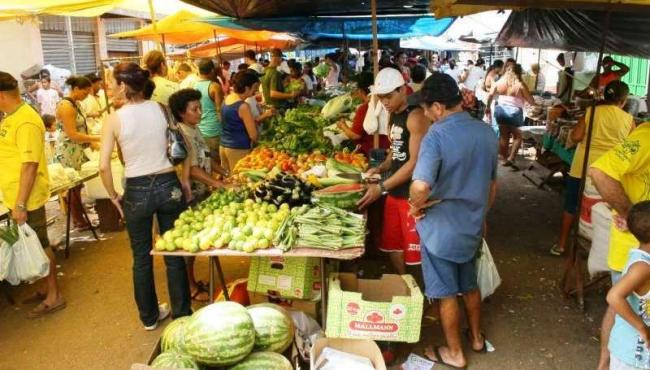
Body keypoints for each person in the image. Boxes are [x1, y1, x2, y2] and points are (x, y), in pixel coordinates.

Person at [409, 72, 498, 370]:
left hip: (440, 231)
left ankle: (455, 353)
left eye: (425, 108)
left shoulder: (437, 135)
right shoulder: (487, 133)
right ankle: (475, 338)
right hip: (471, 225)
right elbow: (492, 185)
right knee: (469, 285)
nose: (424, 114)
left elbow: (420, 186)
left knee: (446, 292)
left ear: (437, 106)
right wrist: (481, 214)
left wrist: (415, 206)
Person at [99, 62, 192, 330]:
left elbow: (104, 165)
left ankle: (149, 318)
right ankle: (182, 313)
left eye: (113, 83)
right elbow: (181, 146)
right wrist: (184, 180)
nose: (111, 88)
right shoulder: (161, 109)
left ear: (124, 86)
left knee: (141, 256)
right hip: (168, 183)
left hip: (136, 190)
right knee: (173, 250)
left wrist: (113, 196)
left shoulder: (114, 119)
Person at [0, 71, 65, 318]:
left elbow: (29, 165)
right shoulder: (11, 117)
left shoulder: (25, 120)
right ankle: (44, 286)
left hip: (27, 196)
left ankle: (54, 295)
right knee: (33, 243)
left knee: (40, 243)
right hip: (14, 193)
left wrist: (20, 203)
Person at [589, 118, 650, 370]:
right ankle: (606, 363)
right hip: (637, 246)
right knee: (622, 308)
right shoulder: (645, 139)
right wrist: (631, 215)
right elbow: (599, 172)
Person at [357, 67, 429, 277]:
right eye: (381, 97)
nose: (385, 102)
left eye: (388, 96)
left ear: (403, 90)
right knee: (393, 245)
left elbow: (414, 162)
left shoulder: (416, 117)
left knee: (415, 249)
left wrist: (381, 187)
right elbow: (395, 151)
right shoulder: (392, 116)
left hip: (412, 196)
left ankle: (423, 294)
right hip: (394, 191)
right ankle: (405, 285)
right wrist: (380, 168)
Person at [550, 81, 634, 256]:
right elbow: (630, 146)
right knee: (605, 209)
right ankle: (598, 248)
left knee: (572, 205)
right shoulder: (628, 119)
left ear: (604, 97)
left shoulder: (591, 111)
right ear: (624, 100)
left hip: (583, 167)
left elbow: (577, 136)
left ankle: (561, 244)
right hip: (609, 173)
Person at [169, 88, 225, 302]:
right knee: (189, 243)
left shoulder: (195, 129)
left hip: (201, 192)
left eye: (200, 107)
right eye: (195, 109)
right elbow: (191, 169)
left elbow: (206, 157)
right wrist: (218, 185)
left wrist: (225, 174)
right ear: (182, 113)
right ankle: (190, 287)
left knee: (196, 241)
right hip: (189, 194)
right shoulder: (182, 135)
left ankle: (192, 283)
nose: (200, 112)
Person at [606, 201, 650, 370]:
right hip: (633, 354)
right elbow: (613, 296)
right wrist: (642, 327)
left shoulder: (643, 254)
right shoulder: (642, 268)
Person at [56, 76, 100, 230]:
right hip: (70, 151)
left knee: (78, 185)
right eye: (84, 92)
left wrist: (91, 141)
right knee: (73, 186)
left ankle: (79, 217)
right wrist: (97, 137)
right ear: (75, 89)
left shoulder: (77, 104)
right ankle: (77, 220)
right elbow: (72, 134)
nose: (86, 95)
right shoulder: (66, 106)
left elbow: (83, 126)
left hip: (79, 148)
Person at [485, 63, 535, 168]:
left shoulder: (499, 82)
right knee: (518, 136)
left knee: (504, 136)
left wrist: (488, 107)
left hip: (500, 110)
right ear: (518, 72)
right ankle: (511, 158)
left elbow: (490, 95)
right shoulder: (520, 84)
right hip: (515, 112)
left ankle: (503, 159)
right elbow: (531, 101)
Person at [219, 71, 260, 172]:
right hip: (238, 148)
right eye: (254, 88)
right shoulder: (243, 106)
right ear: (246, 88)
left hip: (224, 146)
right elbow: (253, 135)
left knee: (228, 178)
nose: (255, 91)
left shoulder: (227, 99)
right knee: (238, 180)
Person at [195, 58, 224, 163]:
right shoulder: (214, 86)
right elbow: (219, 110)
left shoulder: (194, 86)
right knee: (219, 162)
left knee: (208, 161)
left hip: (200, 129)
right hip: (214, 129)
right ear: (212, 70)